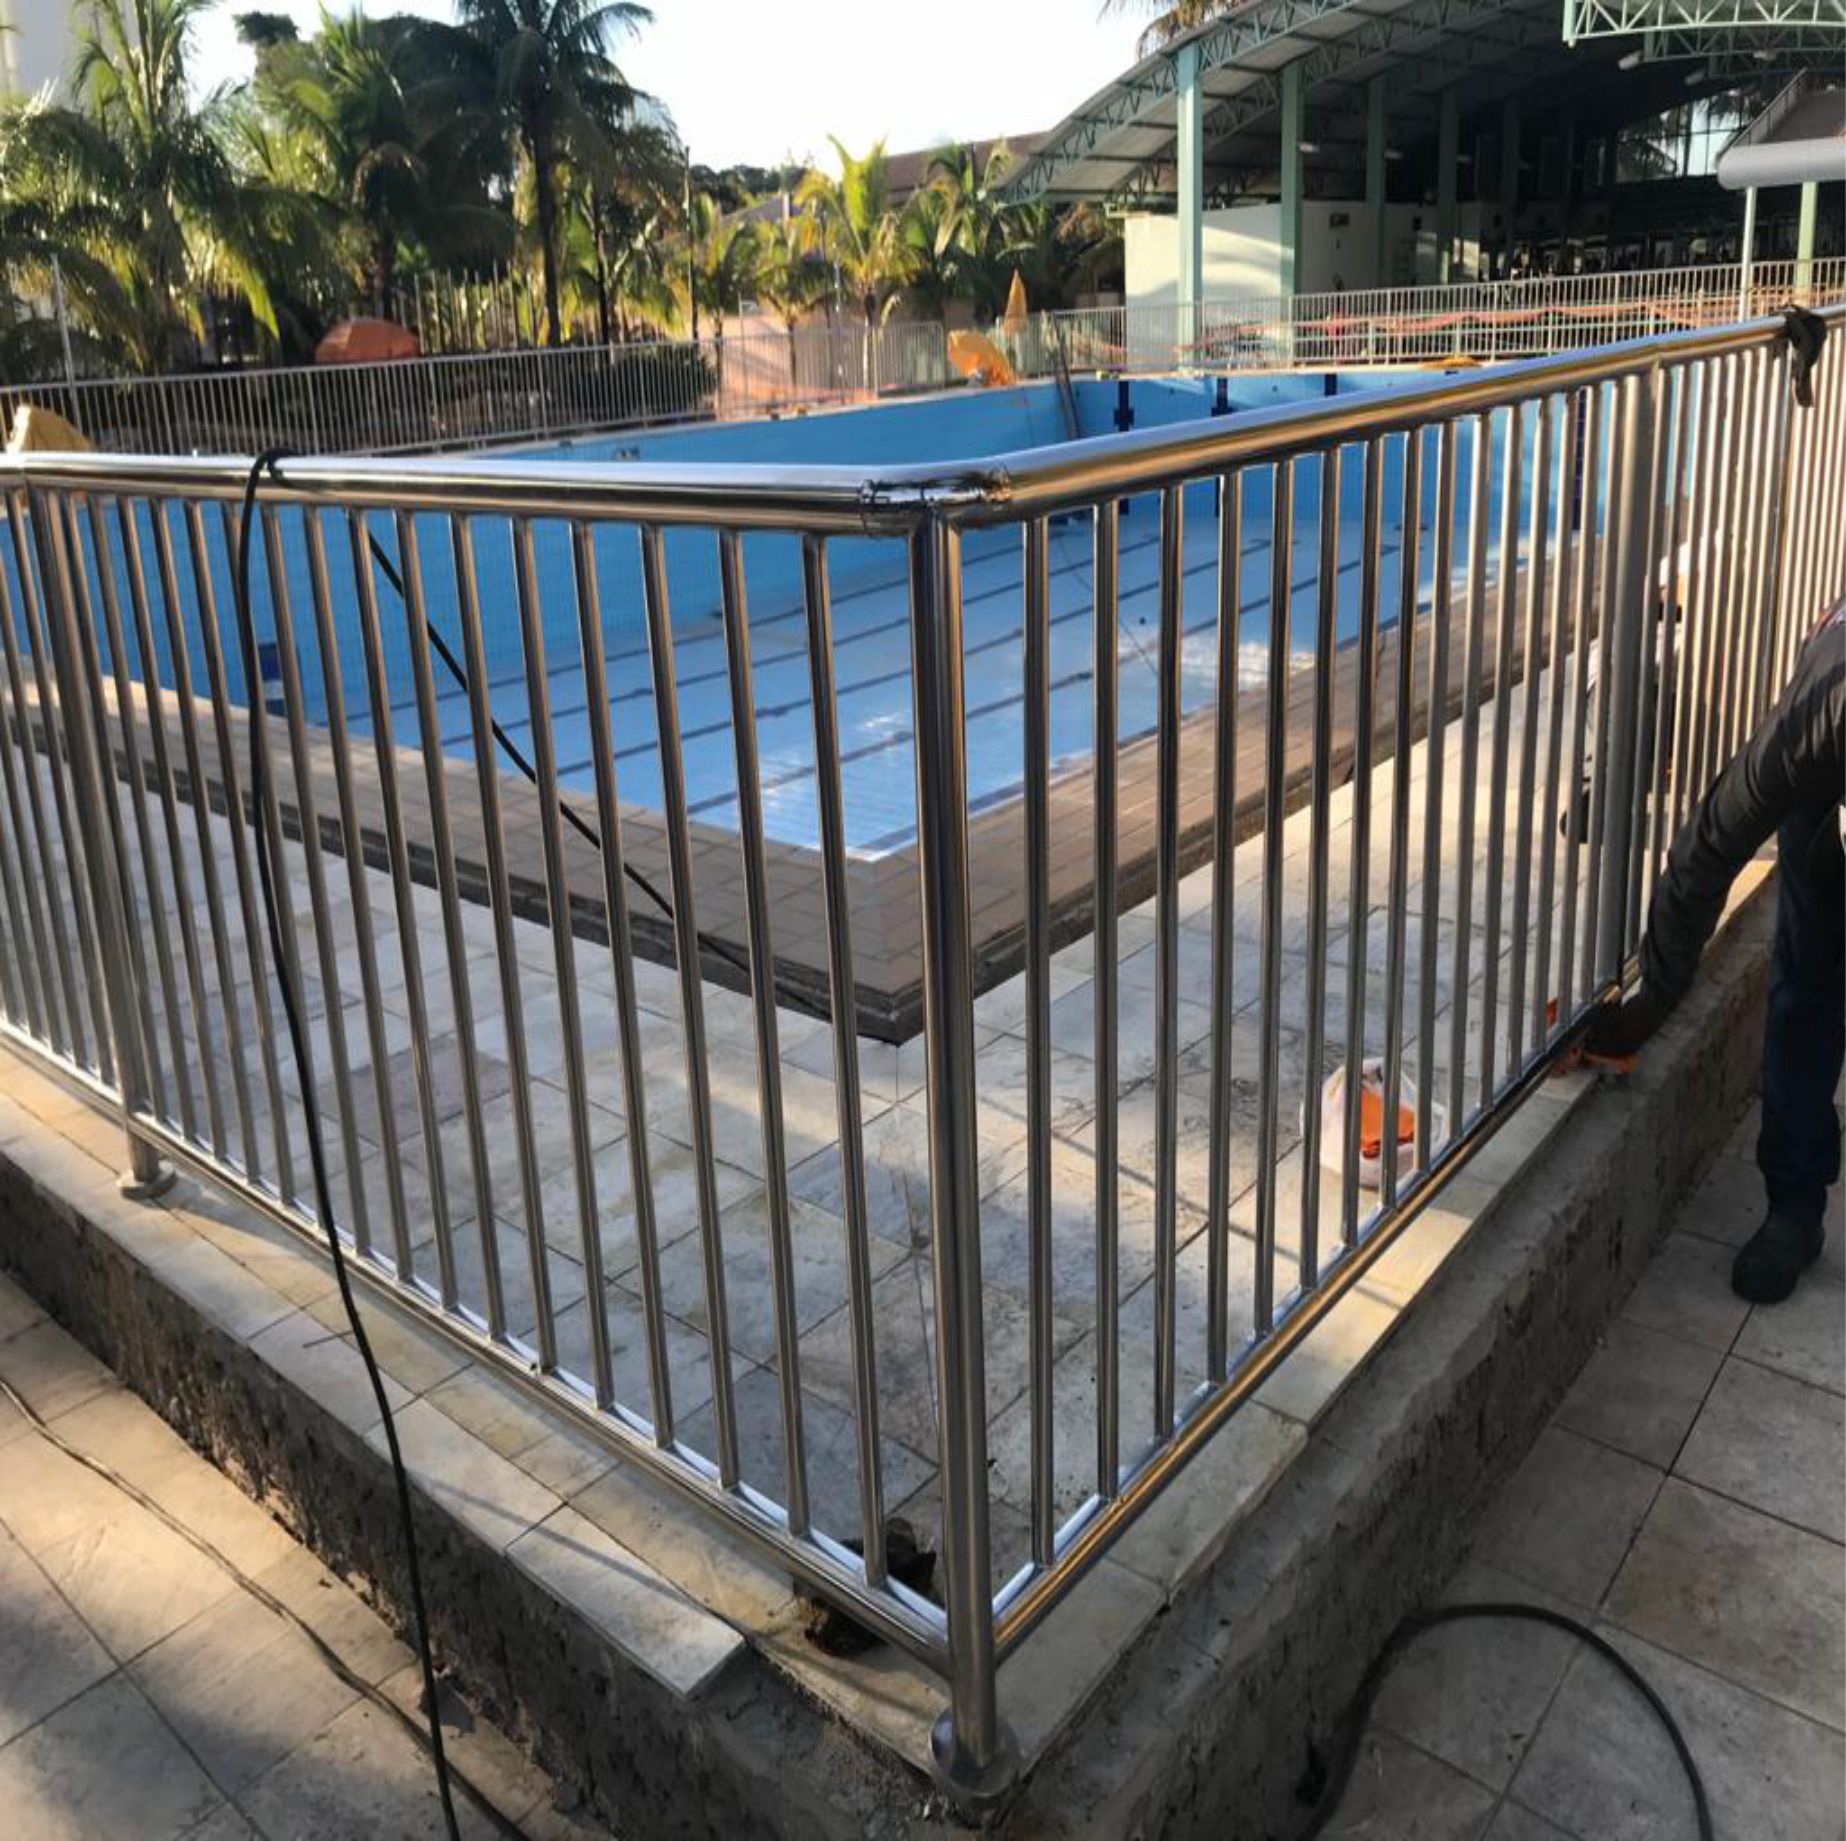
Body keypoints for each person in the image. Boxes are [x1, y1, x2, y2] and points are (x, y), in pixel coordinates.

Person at [1582, 598, 1844, 1303]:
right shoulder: (1810, 730)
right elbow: (1707, 847)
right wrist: (1654, 1000)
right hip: (1828, 780)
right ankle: (1795, 1208)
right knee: (1810, 980)